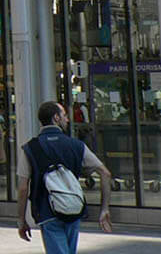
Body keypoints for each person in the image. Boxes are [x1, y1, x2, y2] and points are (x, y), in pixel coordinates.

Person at [17, 101, 113, 254]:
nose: (67, 119)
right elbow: (105, 173)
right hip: (73, 209)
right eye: (64, 116)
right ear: (56, 118)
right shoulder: (76, 145)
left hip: (46, 211)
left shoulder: (29, 148)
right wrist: (104, 209)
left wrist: (22, 220)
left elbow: (23, 188)